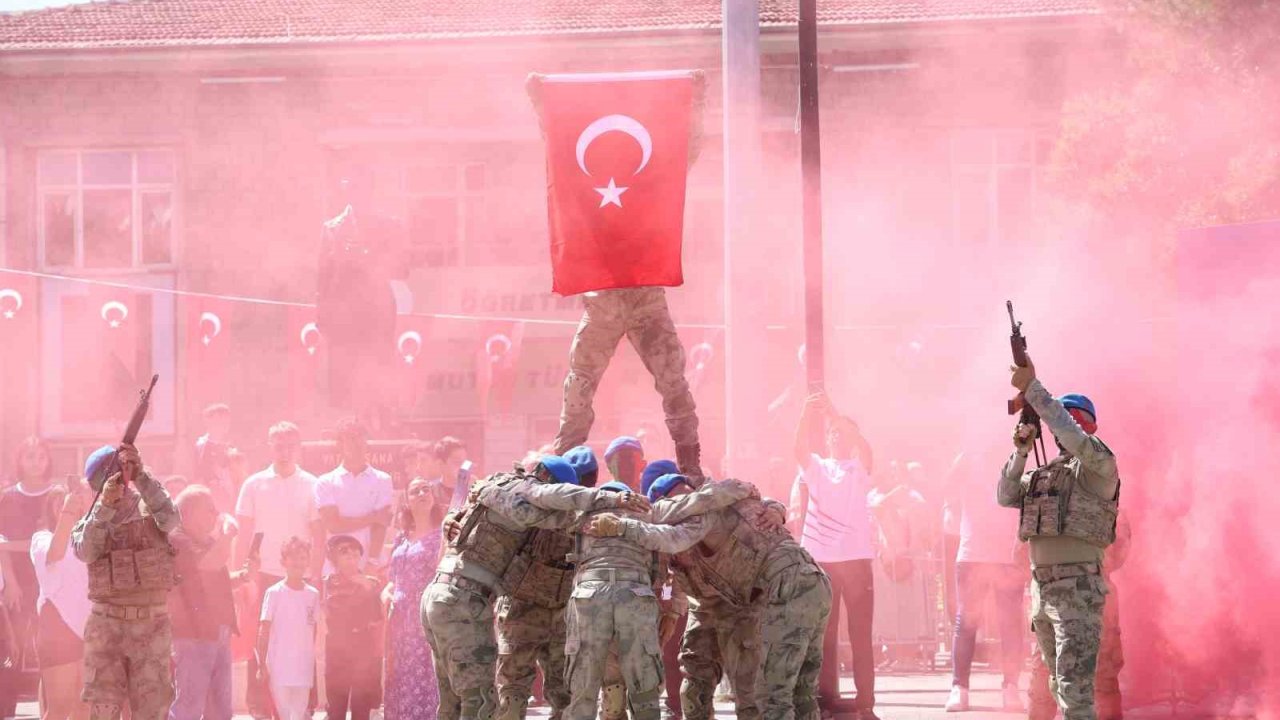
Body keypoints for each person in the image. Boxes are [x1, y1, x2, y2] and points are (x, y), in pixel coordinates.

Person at [423, 457, 642, 720]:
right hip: (467, 600)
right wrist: (615, 500)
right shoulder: (529, 491)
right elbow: (551, 498)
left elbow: (464, 511)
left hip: (443, 594)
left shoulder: (495, 485)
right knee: (481, 702)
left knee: (452, 703)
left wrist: (452, 516)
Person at [517, 477, 707, 720]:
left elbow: (541, 502)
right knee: (643, 687)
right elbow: (669, 576)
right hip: (639, 601)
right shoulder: (650, 518)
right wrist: (669, 609)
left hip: (590, 597)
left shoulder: (580, 517)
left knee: (585, 686)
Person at [999, 355, 1121, 720]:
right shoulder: (1045, 474)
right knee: (1056, 683)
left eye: (1074, 419)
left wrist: (1034, 390)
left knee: (1074, 690)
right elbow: (1006, 494)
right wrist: (1020, 450)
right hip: (1043, 591)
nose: (1062, 429)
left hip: (1077, 589)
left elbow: (1070, 432)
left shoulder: (1099, 466)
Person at [72, 443, 180, 720]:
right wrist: (106, 505)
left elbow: (171, 520)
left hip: (151, 625)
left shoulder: (151, 505)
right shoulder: (92, 517)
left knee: (152, 711)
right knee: (104, 709)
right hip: (107, 627)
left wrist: (142, 476)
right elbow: (86, 551)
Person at [493, 447, 597, 720]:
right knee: (563, 694)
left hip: (521, 610)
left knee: (513, 689)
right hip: (560, 614)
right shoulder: (577, 518)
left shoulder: (522, 510)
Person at [790, 393, 877, 717]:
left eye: (843, 432)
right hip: (821, 561)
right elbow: (797, 447)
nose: (837, 435)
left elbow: (866, 449)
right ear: (826, 439)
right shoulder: (816, 467)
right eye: (833, 432)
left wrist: (836, 414)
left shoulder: (860, 467)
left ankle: (865, 706)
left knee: (860, 637)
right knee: (824, 637)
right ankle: (825, 704)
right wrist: (805, 412)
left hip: (856, 561)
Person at [233, 421, 321, 719]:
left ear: (298, 447)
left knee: (303, 642)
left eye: (290, 445)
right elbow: (244, 534)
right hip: (263, 576)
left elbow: (318, 534)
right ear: (269, 446)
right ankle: (259, 707)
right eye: (278, 445)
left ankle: (306, 706)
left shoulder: (312, 484)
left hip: (301, 577)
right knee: (260, 641)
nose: (284, 451)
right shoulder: (253, 484)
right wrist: (241, 577)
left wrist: (316, 574)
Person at [942, 452, 1025, 713]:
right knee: (966, 622)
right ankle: (959, 688)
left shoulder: (1015, 462)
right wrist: (961, 458)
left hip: (1006, 557)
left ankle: (1011, 687)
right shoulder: (967, 461)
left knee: (1010, 624)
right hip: (972, 555)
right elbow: (945, 487)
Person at [1028, 511, 1131, 720]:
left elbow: (1022, 552)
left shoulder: (1043, 495)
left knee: (1049, 672)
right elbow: (1119, 551)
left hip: (1056, 594)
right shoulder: (1102, 495)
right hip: (1094, 593)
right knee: (1101, 675)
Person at [168, 487, 257, 720]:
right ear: (189, 512)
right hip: (193, 634)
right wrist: (227, 536)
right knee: (189, 705)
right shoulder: (177, 539)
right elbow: (208, 564)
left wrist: (244, 576)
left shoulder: (206, 541)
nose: (215, 514)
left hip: (218, 631)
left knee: (219, 709)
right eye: (209, 509)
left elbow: (217, 579)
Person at [31, 481, 92, 720]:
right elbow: (54, 554)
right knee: (59, 709)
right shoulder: (41, 538)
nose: (70, 504)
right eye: (61, 502)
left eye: (75, 500)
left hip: (90, 630)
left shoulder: (89, 537)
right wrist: (67, 513)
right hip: (58, 629)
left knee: (85, 709)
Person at [0, 436, 59, 683]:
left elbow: (50, 541)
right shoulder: (6, 497)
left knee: (50, 649)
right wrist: (11, 582)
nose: (36, 463)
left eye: (41, 457)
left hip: (51, 579)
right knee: (13, 648)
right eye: (30, 457)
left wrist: (11, 545)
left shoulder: (57, 495)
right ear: (20, 460)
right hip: (17, 582)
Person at [382, 477, 441, 720]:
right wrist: (385, 592)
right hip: (398, 621)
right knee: (398, 674)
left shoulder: (441, 538)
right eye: (415, 490)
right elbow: (392, 578)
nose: (421, 493)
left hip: (424, 618)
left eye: (426, 489)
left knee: (424, 675)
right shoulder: (401, 538)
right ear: (407, 500)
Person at [315, 419, 393, 577]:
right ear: (340, 445)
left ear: (366, 443)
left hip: (369, 570)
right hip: (334, 571)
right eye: (350, 439)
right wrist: (373, 518)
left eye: (360, 438)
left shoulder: (383, 480)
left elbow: (381, 526)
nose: (356, 444)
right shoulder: (325, 482)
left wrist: (371, 562)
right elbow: (333, 525)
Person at [256, 537, 320, 720]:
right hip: (279, 668)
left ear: (308, 561)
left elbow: (313, 631)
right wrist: (261, 665)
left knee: (298, 715)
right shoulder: (274, 593)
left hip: (303, 669)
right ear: (283, 561)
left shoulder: (312, 595)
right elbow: (264, 629)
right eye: (292, 558)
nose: (297, 562)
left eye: (302, 557)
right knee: (281, 715)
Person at [322, 535, 383, 720]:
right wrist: (363, 587)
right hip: (337, 647)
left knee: (361, 704)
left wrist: (367, 587)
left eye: (355, 552)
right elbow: (337, 613)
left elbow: (376, 616)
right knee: (336, 705)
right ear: (334, 559)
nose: (351, 555)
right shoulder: (330, 582)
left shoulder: (371, 582)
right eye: (344, 552)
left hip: (362, 646)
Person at [194, 404, 236, 511]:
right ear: (208, 422)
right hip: (212, 497)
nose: (225, 424)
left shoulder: (231, 445)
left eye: (226, 421)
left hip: (231, 495)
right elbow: (201, 472)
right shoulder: (201, 445)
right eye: (220, 420)